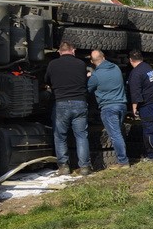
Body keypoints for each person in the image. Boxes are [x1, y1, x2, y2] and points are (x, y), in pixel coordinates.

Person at [44, 41, 91, 175]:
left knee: (60, 136)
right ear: (73, 51)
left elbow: (47, 79)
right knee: (81, 136)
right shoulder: (81, 64)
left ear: (59, 52)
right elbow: (84, 79)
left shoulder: (53, 64)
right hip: (79, 102)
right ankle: (85, 167)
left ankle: (64, 167)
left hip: (61, 103)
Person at [87, 49, 129, 168]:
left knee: (115, 135)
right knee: (119, 133)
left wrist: (90, 77)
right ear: (104, 57)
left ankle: (123, 161)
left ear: (92, 61)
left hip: (108, 108)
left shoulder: (96, 75)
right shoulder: (116, 68)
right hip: (122, 105)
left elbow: (88, 90)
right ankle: (123, 157)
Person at [127, 49, 153, 162]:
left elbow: (135, 93)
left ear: (130, 60)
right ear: (141, 58)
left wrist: (134, 108)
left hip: (148, 105)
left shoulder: (135, 73)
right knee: (152, 129)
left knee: (150, 131)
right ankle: (151, 155)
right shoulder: (148, 68)